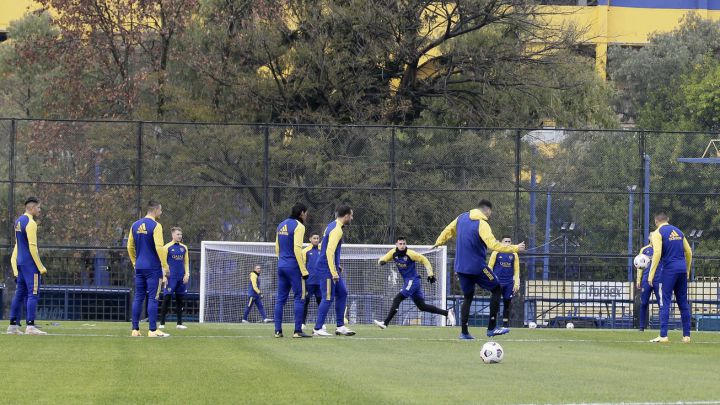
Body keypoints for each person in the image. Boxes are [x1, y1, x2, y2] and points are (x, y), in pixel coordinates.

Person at [434, 199, 525, 339]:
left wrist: (438, 242)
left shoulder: (461, 217)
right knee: (496, 288)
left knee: (468, 297)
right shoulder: (482, 224)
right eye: (490, 212)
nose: (490, 215)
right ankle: (492, 328)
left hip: (461, 267)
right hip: (477, 267)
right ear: (487, 210)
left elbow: (448, 230)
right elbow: (493, 245)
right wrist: (515, 248)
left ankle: (464, 332)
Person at [373, 236, 455, 329]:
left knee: (397, 299)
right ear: (396, 244)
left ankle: (385, 323)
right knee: (422, 307)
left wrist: (430, 274)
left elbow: (424, 260)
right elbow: (383, 259)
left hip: (413, 281)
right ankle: (447, 313)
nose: (402, 246)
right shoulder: (393, 253)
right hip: (410, 283)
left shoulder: (410, 253)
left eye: (404, 244)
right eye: (400, 244)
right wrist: (381, 262)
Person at [127, 200, 170, 338]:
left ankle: (135, 329)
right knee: (153, 298)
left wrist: (135, 262)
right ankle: (152, 330)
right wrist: (165, 265)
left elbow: (129, 246)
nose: (161, 213)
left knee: (138, 297)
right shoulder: (156, 226)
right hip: (153, 268)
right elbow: (159, 247)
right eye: (161, 210)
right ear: (156, 210)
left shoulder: (135, 225)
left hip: (139, 267)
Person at [648, 212, 692, 343]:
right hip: (682, 270)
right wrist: (687, 270)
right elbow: (689, 251)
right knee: (683, 303)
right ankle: (686, 336)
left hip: (669, 271)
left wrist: (651, 274)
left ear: (656, 222)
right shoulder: (679, 231)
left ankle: (663, 335)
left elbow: (657, 253)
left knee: (664, 302)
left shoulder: (657, 233)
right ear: (667, 220)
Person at [7, 197, 48, 336]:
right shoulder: (31, 223)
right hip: (30, 265)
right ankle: (30, 326)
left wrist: (15, 263)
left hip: (20, 262)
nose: (39, 210)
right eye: (38, 207)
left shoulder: (18, 221)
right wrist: (41, 267)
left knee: (19, 294)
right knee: (33, 294)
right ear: (31, 208)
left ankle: (12, 326)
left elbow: (18, 245)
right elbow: (32, 247)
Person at [313, 205, 356, 337]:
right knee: (328, 297)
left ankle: (340, 326)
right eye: (351, 215)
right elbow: (329, 251)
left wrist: (337, 265)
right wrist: (333, 272)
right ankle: (318, 328)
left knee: (342, 293)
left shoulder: (331, 225)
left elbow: (323, 246)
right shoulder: (337, 230)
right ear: (346, 216)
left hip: (330, 266)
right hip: (326, 269)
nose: (352, 218)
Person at [274, 203, 312, 338]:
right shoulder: (299, 226)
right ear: (301, 213)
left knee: (280, 299)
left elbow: (277, 248)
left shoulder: (281, 225)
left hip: (281, 265)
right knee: (300, 298)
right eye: (306, 213)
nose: (306, 215)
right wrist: (304, 270)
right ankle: (297, 331)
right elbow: (297, 249)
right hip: (293, 267)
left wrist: (282, 261)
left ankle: (278, 331)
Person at [487, 236, 520, 328]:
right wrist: (491, 280)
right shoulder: (496, 252)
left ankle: (505, 324)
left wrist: (516, 284)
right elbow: (489, 267)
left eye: (509, 241)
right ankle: (492, 322)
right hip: (497, 283)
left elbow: (517, 270)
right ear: (501, 242)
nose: (507, 243)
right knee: (495, 303)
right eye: (505, 241)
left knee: (507, 302)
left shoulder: (514, 254)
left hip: (509, 283)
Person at [159, 227, 189, 330]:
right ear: (173, 235)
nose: (180, 236)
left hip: (181, 278)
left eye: (180, 234)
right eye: (178, 234)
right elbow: (163, 264)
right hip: (171, 278)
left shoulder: (184, 247)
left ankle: (179, 323)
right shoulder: (166, 247)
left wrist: (187, 274)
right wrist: (164, 276)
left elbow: (186, 263)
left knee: (180, 300)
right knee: (166, 299)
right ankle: (162, 323)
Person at [635, 236, 660, 332]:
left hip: (658, 279)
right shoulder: (644, 250)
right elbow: (639, 266)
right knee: (644, 303)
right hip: (646, 280)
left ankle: (663, 327)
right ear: (650, 238)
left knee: (661, 303)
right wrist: (638, 280)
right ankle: (641, 327)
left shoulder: (661, 249)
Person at [302, 234, 323, 330]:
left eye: (317, 238)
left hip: (320, 282)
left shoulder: (322, 250)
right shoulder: (305, 251)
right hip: (308, 282)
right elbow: (302, 265)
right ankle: (302, 323)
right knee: (305, 302)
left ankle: (321, 323)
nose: (316, 240)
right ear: (310, 239)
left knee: (321, 303)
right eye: (314, 238)